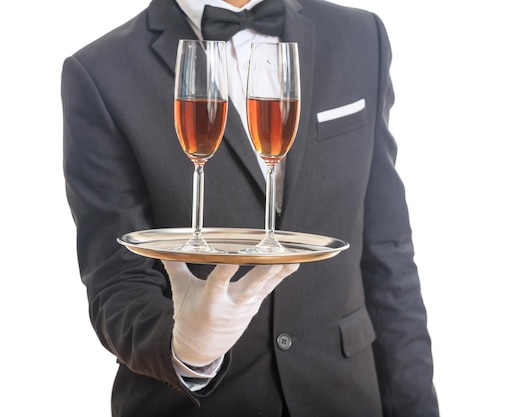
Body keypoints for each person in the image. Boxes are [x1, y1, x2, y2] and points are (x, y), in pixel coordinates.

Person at [61, 0, 439, 415]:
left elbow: (389, 253)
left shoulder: (360, 36)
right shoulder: (100, 71)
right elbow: (116, 280)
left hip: (345, 395)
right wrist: (187, 349)